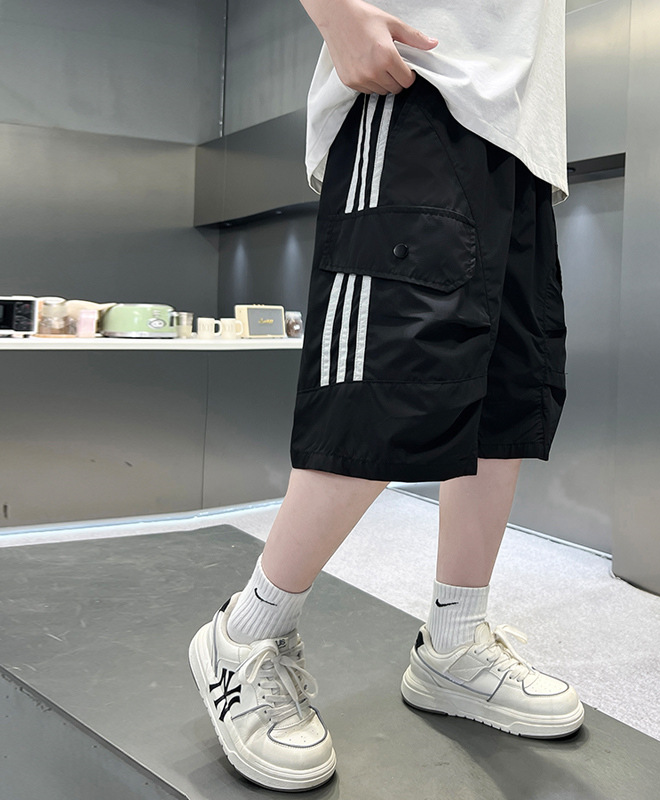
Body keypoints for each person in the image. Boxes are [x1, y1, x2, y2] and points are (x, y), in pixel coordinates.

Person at [189, 0, 583, 790]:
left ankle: (454, 646)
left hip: (524, 138)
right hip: (417, 89)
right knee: (388, 380)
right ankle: (246, 635)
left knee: (506, 399)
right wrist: (335, 13)